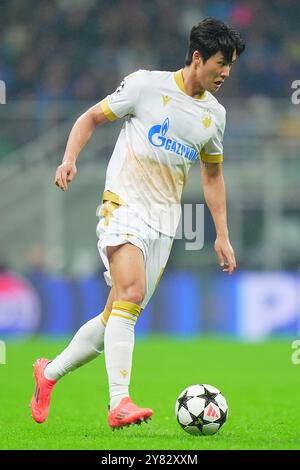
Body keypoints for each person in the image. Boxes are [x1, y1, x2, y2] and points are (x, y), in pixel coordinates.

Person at [30, 18, 245, 430]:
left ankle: (48, 374)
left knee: (115, 317)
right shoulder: (146, 86)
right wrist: (69, 159)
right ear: (197, 57)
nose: (226, 73)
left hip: (165, 223)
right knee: (131, 292)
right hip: (123, 205)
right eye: (221, 63)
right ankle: (119, 402)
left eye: (230, 65)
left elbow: (213, 176)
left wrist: (221, 233)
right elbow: (90, 118)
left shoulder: (214, 117)